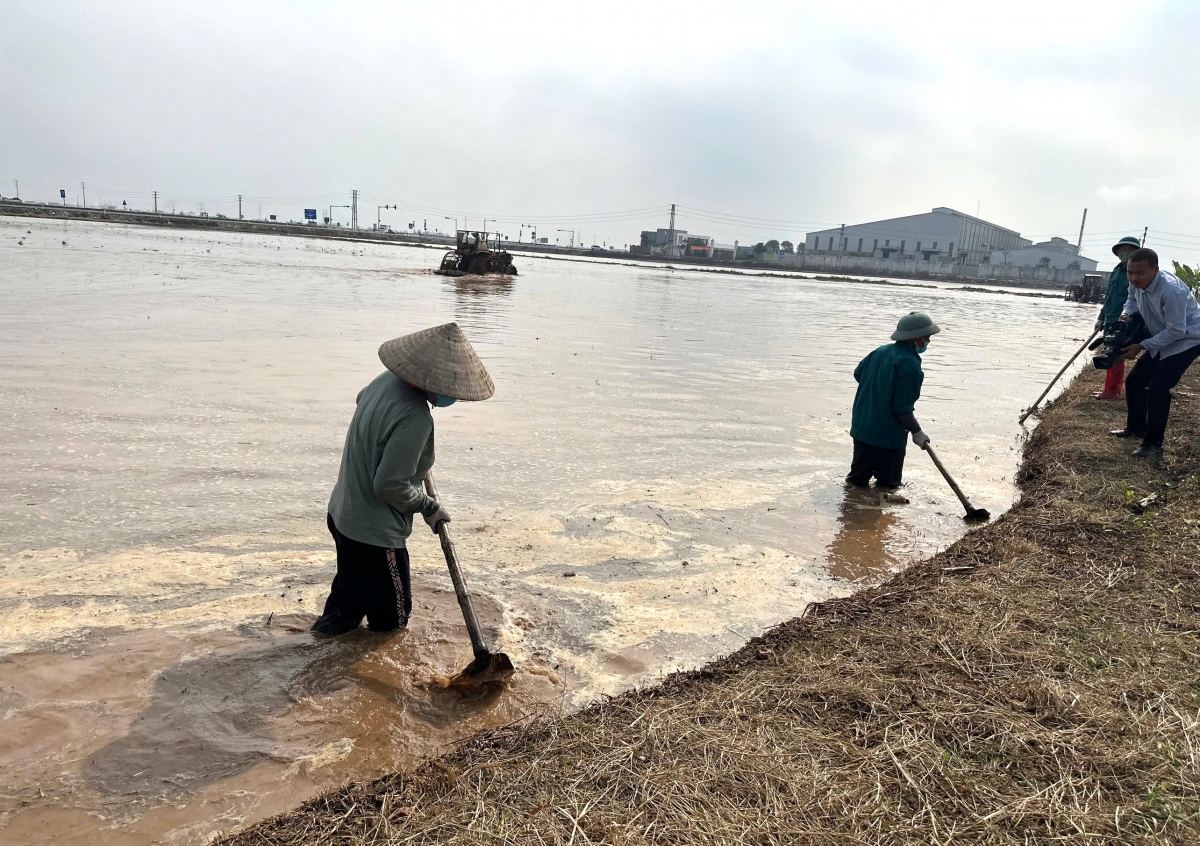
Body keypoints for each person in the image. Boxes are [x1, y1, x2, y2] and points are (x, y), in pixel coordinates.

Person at [312, 322, 495, 635]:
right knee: (391, 626)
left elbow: (361, 400)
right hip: (375, 538)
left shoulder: (383, 382)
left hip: (343, 515)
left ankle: (306, 657)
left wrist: (406, 452)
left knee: (345, 611)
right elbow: (389, 485)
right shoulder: (416, 418)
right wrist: (428, 506)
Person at [1109, 248, 1200, 459]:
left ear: (1155, 270)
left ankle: (1153, 444)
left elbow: (1178, 330)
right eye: (1130, 272)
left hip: (1188, 339)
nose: (1133, 277)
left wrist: (1142, 345)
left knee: (1158, 388)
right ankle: (1136, 428)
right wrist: (1126, 314)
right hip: (1163, 335)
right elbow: (1131, 301)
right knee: (1135, 382)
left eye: (1139, 273)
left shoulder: (1171, 291)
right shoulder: (1135, 284)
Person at [847, 312, 938, 492]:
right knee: (888, 486)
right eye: (926, 337)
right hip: (888, 435)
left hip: (862, 426)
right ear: (915, 339)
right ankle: (874, 518)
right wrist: (917, 431)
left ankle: (853, 512)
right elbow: (902, 408)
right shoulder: (911, 365)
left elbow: (858, 374)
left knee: (856, 482)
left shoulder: (880, 351)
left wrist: (879, 392)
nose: (928, 341)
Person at [1092, 236, 1141, 400]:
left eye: (1129, 249)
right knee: (1108, 353)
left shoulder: (1135, 273)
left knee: (1115, 354)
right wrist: (1101, 317)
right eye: (1122, 249)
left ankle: (1112, 390)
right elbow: (1109, 296)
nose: (1124, 252)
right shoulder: (1116, 270)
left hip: (1123, 320)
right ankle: (1112, 388)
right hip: (1109, 318)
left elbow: (1135, 300)